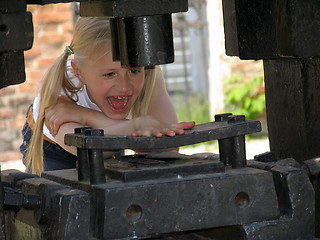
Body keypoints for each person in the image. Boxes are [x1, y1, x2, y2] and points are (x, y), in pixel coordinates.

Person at [20, 17, 195, 175]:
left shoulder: (149, 74)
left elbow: (168, 150)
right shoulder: (62, 88)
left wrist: (87, 116)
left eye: (134, 71)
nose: (124, 86)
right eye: (109, 74)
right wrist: (137, 128)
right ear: (79, 72)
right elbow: (87, 149)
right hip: (55, 152)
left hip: (112, 142)